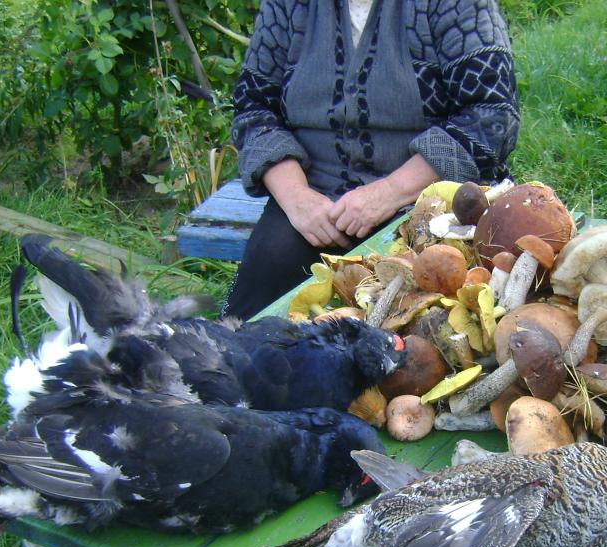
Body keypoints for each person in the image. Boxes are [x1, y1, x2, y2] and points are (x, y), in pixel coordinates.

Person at [221, 0, 520, 320]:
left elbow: (491, 115)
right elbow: (253, 110)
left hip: (428, 202)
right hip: (314, 203)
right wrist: (297, 199)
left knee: (425, 320)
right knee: (248, 322)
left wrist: (388, 193)